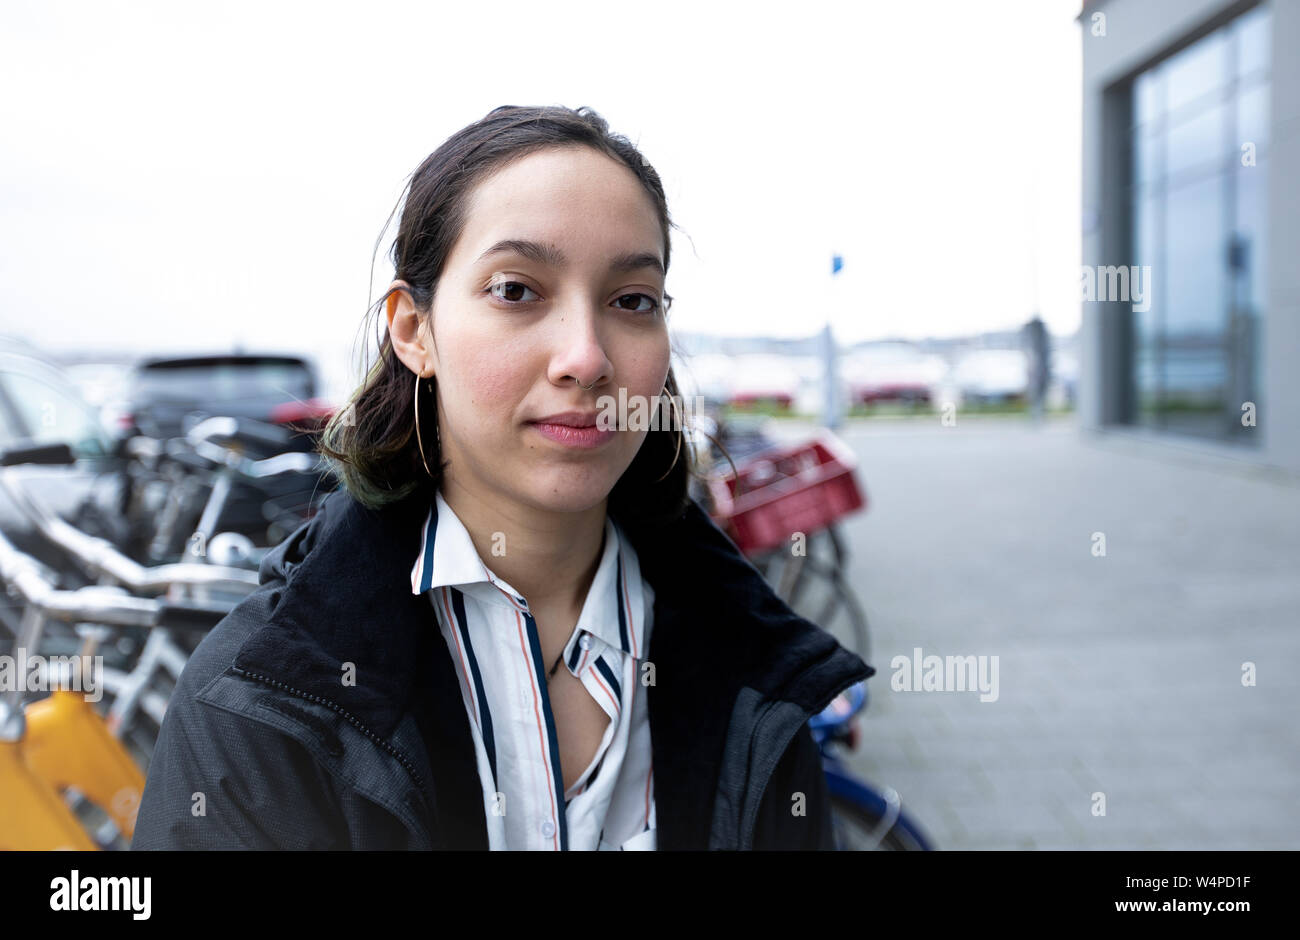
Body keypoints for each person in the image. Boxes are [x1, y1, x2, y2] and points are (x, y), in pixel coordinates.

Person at [131, 104, 874, 851]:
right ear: (413, 330)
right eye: (517, 290)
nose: (586, 357)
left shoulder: (756, 669)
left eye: (632, 301)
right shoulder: (261, 697)